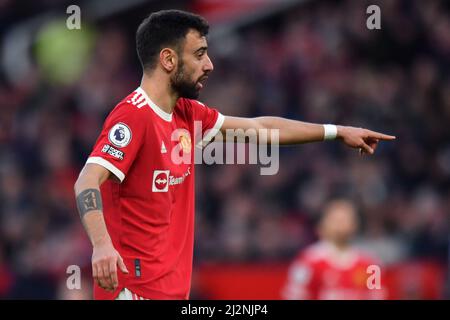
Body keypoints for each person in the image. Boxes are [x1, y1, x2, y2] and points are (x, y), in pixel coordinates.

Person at [74, 10, 395, 300]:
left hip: (170, 291)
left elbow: (260, 128)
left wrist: (336, 131)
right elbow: (87, 180)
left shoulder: (187, 114)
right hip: (134, 291)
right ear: (169, 60)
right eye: (199, 54)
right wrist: (102, 244)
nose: (209, 64)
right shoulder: (134, 116)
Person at [281, 199, 386, 300]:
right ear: (323, 224)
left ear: (355, 224)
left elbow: (377, 296)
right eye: (336, 219)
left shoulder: (370, 263)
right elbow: (294, 295)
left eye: (346, 219)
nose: (340, 224)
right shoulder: (308, 261)